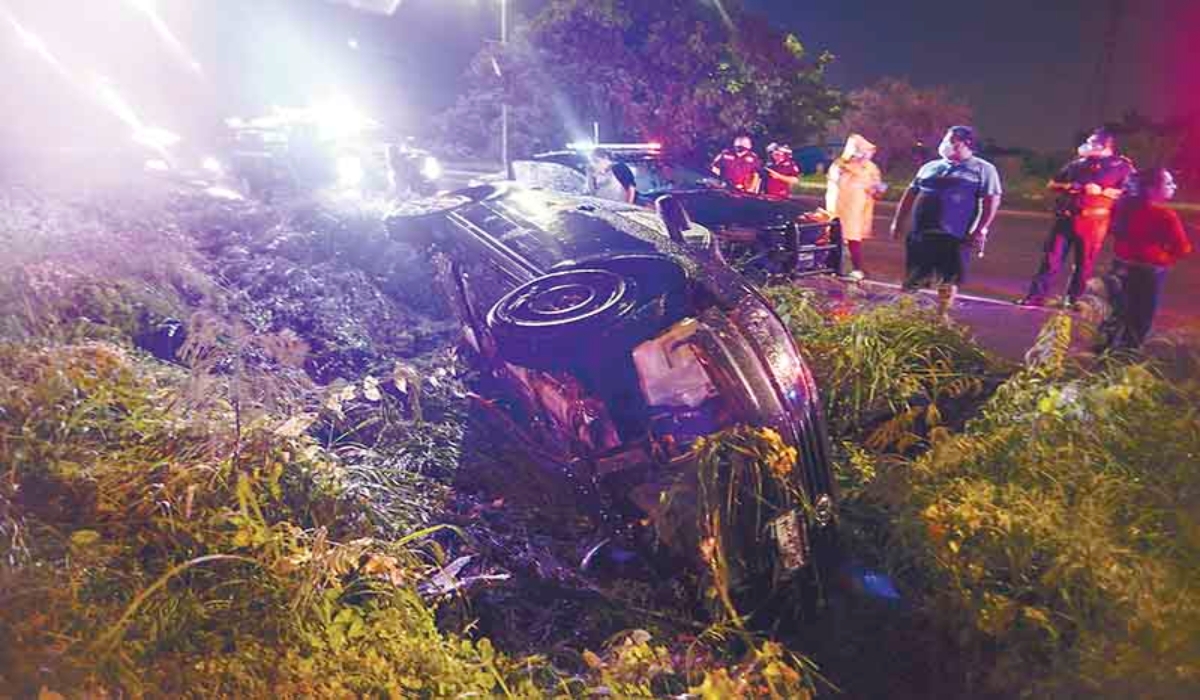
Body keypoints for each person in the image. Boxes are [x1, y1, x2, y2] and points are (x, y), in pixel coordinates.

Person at [889, 126, 1003, 320]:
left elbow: (991, 201)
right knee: (914, 276)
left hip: (955, 235)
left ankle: (941, 316)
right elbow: (909, 195)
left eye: (950, 141)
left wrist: (979, 230)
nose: (945, 145)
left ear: (965, 143)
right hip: (922, 232)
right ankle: (903, 316)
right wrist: (898, 222)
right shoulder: (930, 167)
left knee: (948, 278)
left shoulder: (983, 169)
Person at [1017, 129, 1135, 307]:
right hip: (1066, 219)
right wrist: (1075, 186)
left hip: (1094, 222)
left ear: (1105, 145)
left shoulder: (1121, 167)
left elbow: (1132, 191)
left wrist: (1105, 192)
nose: (1087, 146)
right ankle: (1035, 297)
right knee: (1050, 260)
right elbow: (1053, 184)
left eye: (1092, 142)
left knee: (1084, 264)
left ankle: (1073, 300)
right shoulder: (1076, 165)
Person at [1094, 167, 1192, 351]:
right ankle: (1126, 356)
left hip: (1120, 265)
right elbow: (1183, 248)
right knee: (1141, 316)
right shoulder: (1165, 215)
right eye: (1169, 183)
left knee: (1116, 309)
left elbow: (1111, 231)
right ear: (1151, 188)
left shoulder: (1121, 208)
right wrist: (1166, 258)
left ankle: (1101, 348)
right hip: (1149, 271)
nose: (1174, 186)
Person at [825, 134, 886, 280]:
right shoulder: (840, 166)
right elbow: (836, 186)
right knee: (837, 236)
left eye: (868, 151)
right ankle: (834, 267)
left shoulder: (871, 168)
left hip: (859, 209)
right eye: (863, 151)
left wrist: (878, 190)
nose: (867, 154)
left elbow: (878, 189)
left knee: (854, 238)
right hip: (841, 207)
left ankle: (856, 268)